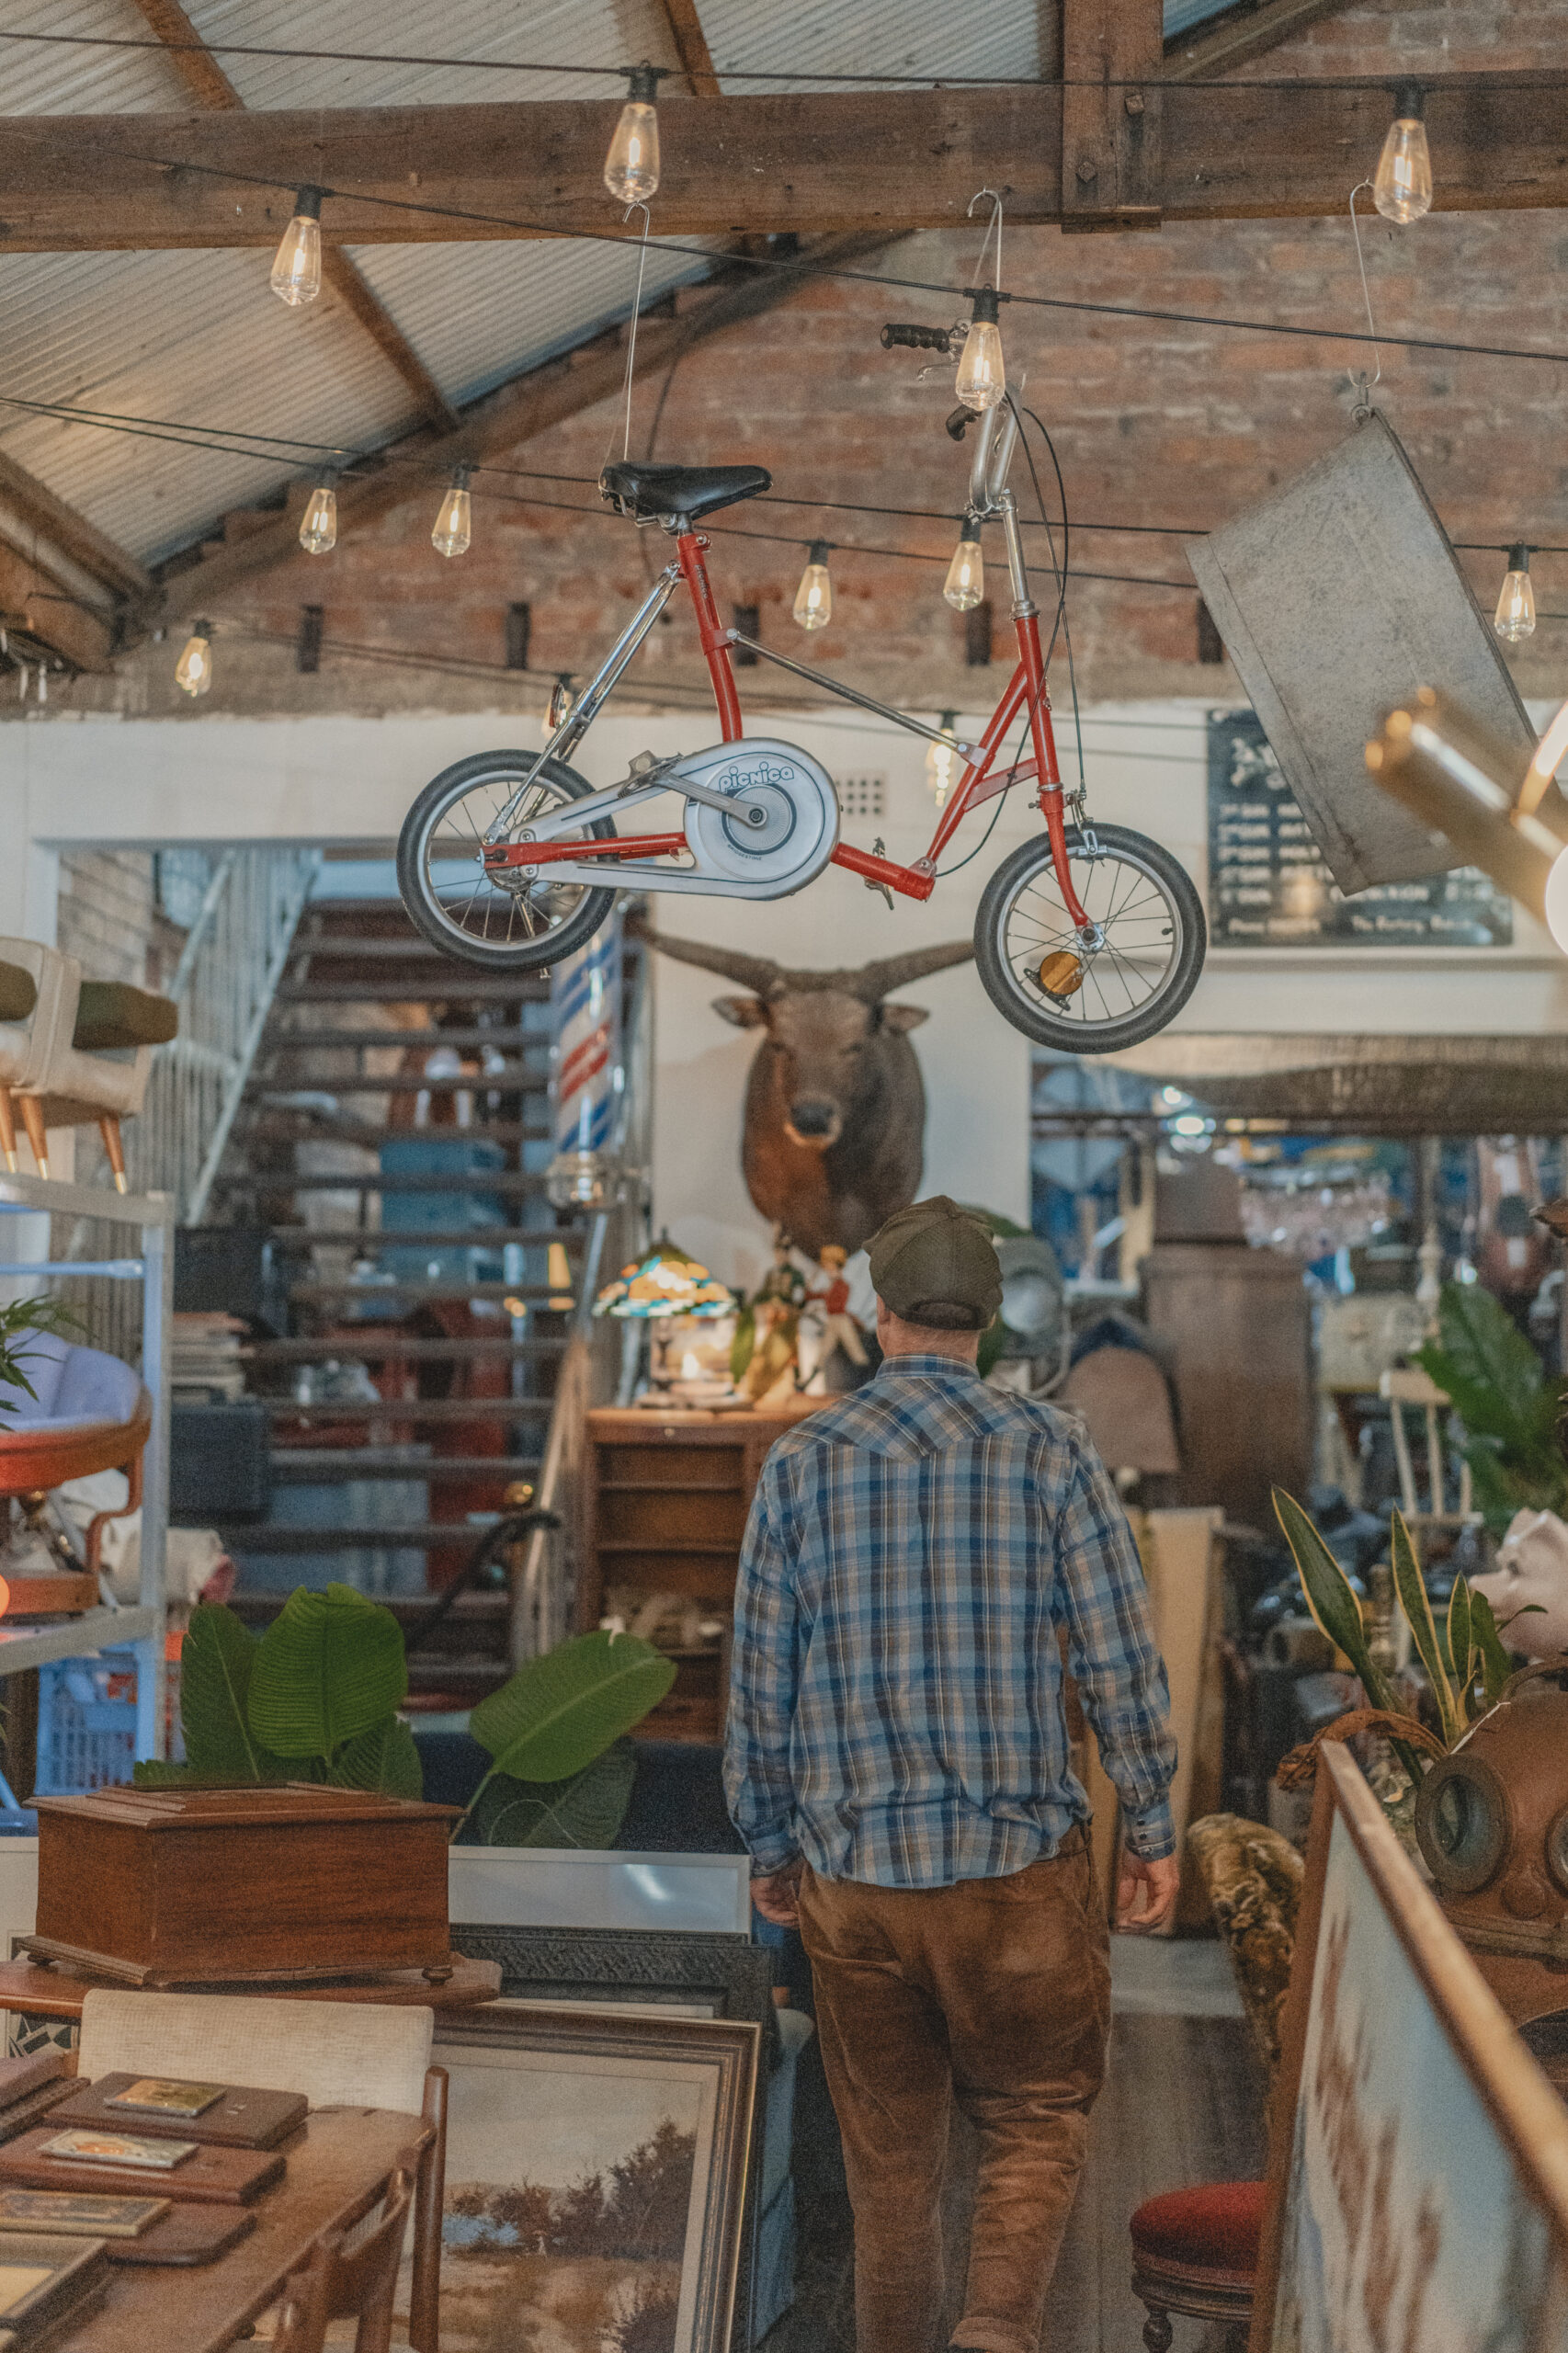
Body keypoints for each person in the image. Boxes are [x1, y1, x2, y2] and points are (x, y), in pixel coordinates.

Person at [723, 1196, 1179, 2353]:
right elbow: (1118, 1653)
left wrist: (770, 1845)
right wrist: (1153, 1825)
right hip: (1014, 1872)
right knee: (1030, 2117)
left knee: (889, 2163)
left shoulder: (800, 1461)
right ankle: (992, 2331)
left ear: (880, 1315)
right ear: (986, 1319)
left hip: (855, 1878)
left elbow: (759, 1680)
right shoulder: (1049, 1447)